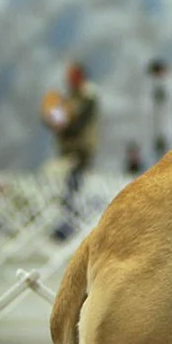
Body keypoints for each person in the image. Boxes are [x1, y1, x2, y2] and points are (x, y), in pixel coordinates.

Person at [42, 61, 100, 239]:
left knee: (74, 186)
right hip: (68, 149)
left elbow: (74, 120)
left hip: (81, 149)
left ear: (79, 76)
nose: (67, 79)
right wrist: (51, 118)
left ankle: (71, 225)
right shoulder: (71, 96)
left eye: (71, 76)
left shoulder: (87, 96)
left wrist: (59, 118)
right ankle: (67, 223)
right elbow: (61, 121)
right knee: (67, 187)